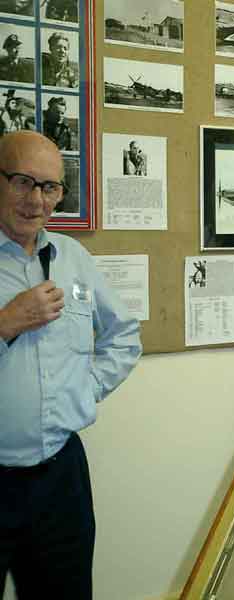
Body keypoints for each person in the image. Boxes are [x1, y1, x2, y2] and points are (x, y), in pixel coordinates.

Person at [0, 131, 141, 598]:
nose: (35, 200)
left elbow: (124, 336)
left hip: (60, 479)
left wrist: (86, 387)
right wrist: (5, 323)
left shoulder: (73, 258)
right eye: (22, 181)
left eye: (49, 188)